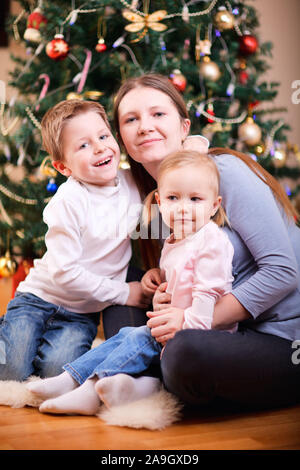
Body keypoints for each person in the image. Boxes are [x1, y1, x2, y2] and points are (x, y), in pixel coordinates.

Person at [111, 73, 300, 409]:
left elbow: (283, 272)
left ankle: (149, 379)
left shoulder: (225, 171)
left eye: (158, 114)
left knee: (185, 354)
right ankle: (148, 380)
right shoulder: (155, 205)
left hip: (280, 335)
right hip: (224, 331)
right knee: (126, 292)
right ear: (123, 138)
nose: (144, 126)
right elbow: (184, 278)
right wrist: (161, 294)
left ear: (184, 128)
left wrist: (191, 319)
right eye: (131, 119)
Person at [27, 150, 235, 416]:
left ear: (214, 205)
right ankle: (72, 378)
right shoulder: (176, 239)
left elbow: (206, 311)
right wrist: (159, 285)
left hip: (202, 336)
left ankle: (90, 388)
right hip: (175, 327)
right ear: (159, 202)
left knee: (139, 338)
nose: (183, 207)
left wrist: (174, 323)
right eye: (173, 198)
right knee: (128, 335)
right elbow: (179, 283)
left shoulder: (211, 240)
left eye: (195, 199)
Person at [0, 99, 150, 381]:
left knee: (57, 372)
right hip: (38, 298)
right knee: (10, 370)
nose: (100, 147)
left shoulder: (132, 184)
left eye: (104, 136)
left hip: (82, 312)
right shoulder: (68, 202)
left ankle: (29, 342)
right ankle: (9, 330)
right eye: (83, 145)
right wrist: (124, 293)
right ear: (63, 167)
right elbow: (64, 272)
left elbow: (171, 172)